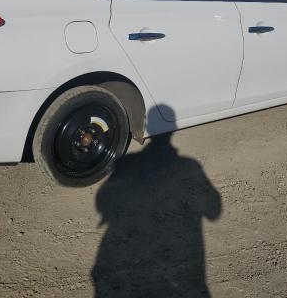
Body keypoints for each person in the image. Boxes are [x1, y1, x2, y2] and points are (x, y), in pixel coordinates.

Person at [92, 105, 221, 297]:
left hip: (132, 265)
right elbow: (214, 211)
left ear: (149, 128)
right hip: (179, 272)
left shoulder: (127, 163)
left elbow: (102, 201)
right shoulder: (188, 166)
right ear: (174, 129)